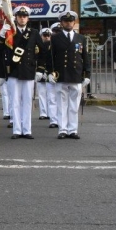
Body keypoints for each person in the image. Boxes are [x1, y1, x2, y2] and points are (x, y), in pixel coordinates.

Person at [0, 5, 46, 140]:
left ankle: (27, 129)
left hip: (29, 71)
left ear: (28, 18)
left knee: (27, 102)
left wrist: (40, 69)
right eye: (20, 16)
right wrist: (1, 35)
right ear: (16, 18)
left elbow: (42, 52)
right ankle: (17, 130)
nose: (22, 18)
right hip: (13, 71)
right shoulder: (10, 32)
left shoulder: (34, 33)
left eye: (24, 16)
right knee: (15, 102)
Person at [47, 11, 91, 139]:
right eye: (66, 21)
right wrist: (50, 72)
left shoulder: (80, 38)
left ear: (74, 22)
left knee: (74, 105)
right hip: (61, 75)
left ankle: (73, 130)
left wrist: (87, 74)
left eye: (71, 21)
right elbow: (51, 58)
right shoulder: (55, 38)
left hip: (76, 75)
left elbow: (85, 57)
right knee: (62, 105)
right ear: (62, 23)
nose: (68, 23)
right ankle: (63, 129)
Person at [36, 28, 53, 121]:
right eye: (45, 35)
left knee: (51, 95)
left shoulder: (53, 46)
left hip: (50, 73)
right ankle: (43, 113)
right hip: (40, 72)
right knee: (41, 94)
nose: (47, 37)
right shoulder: (38, 46)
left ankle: (51, 113)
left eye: (48, 35)